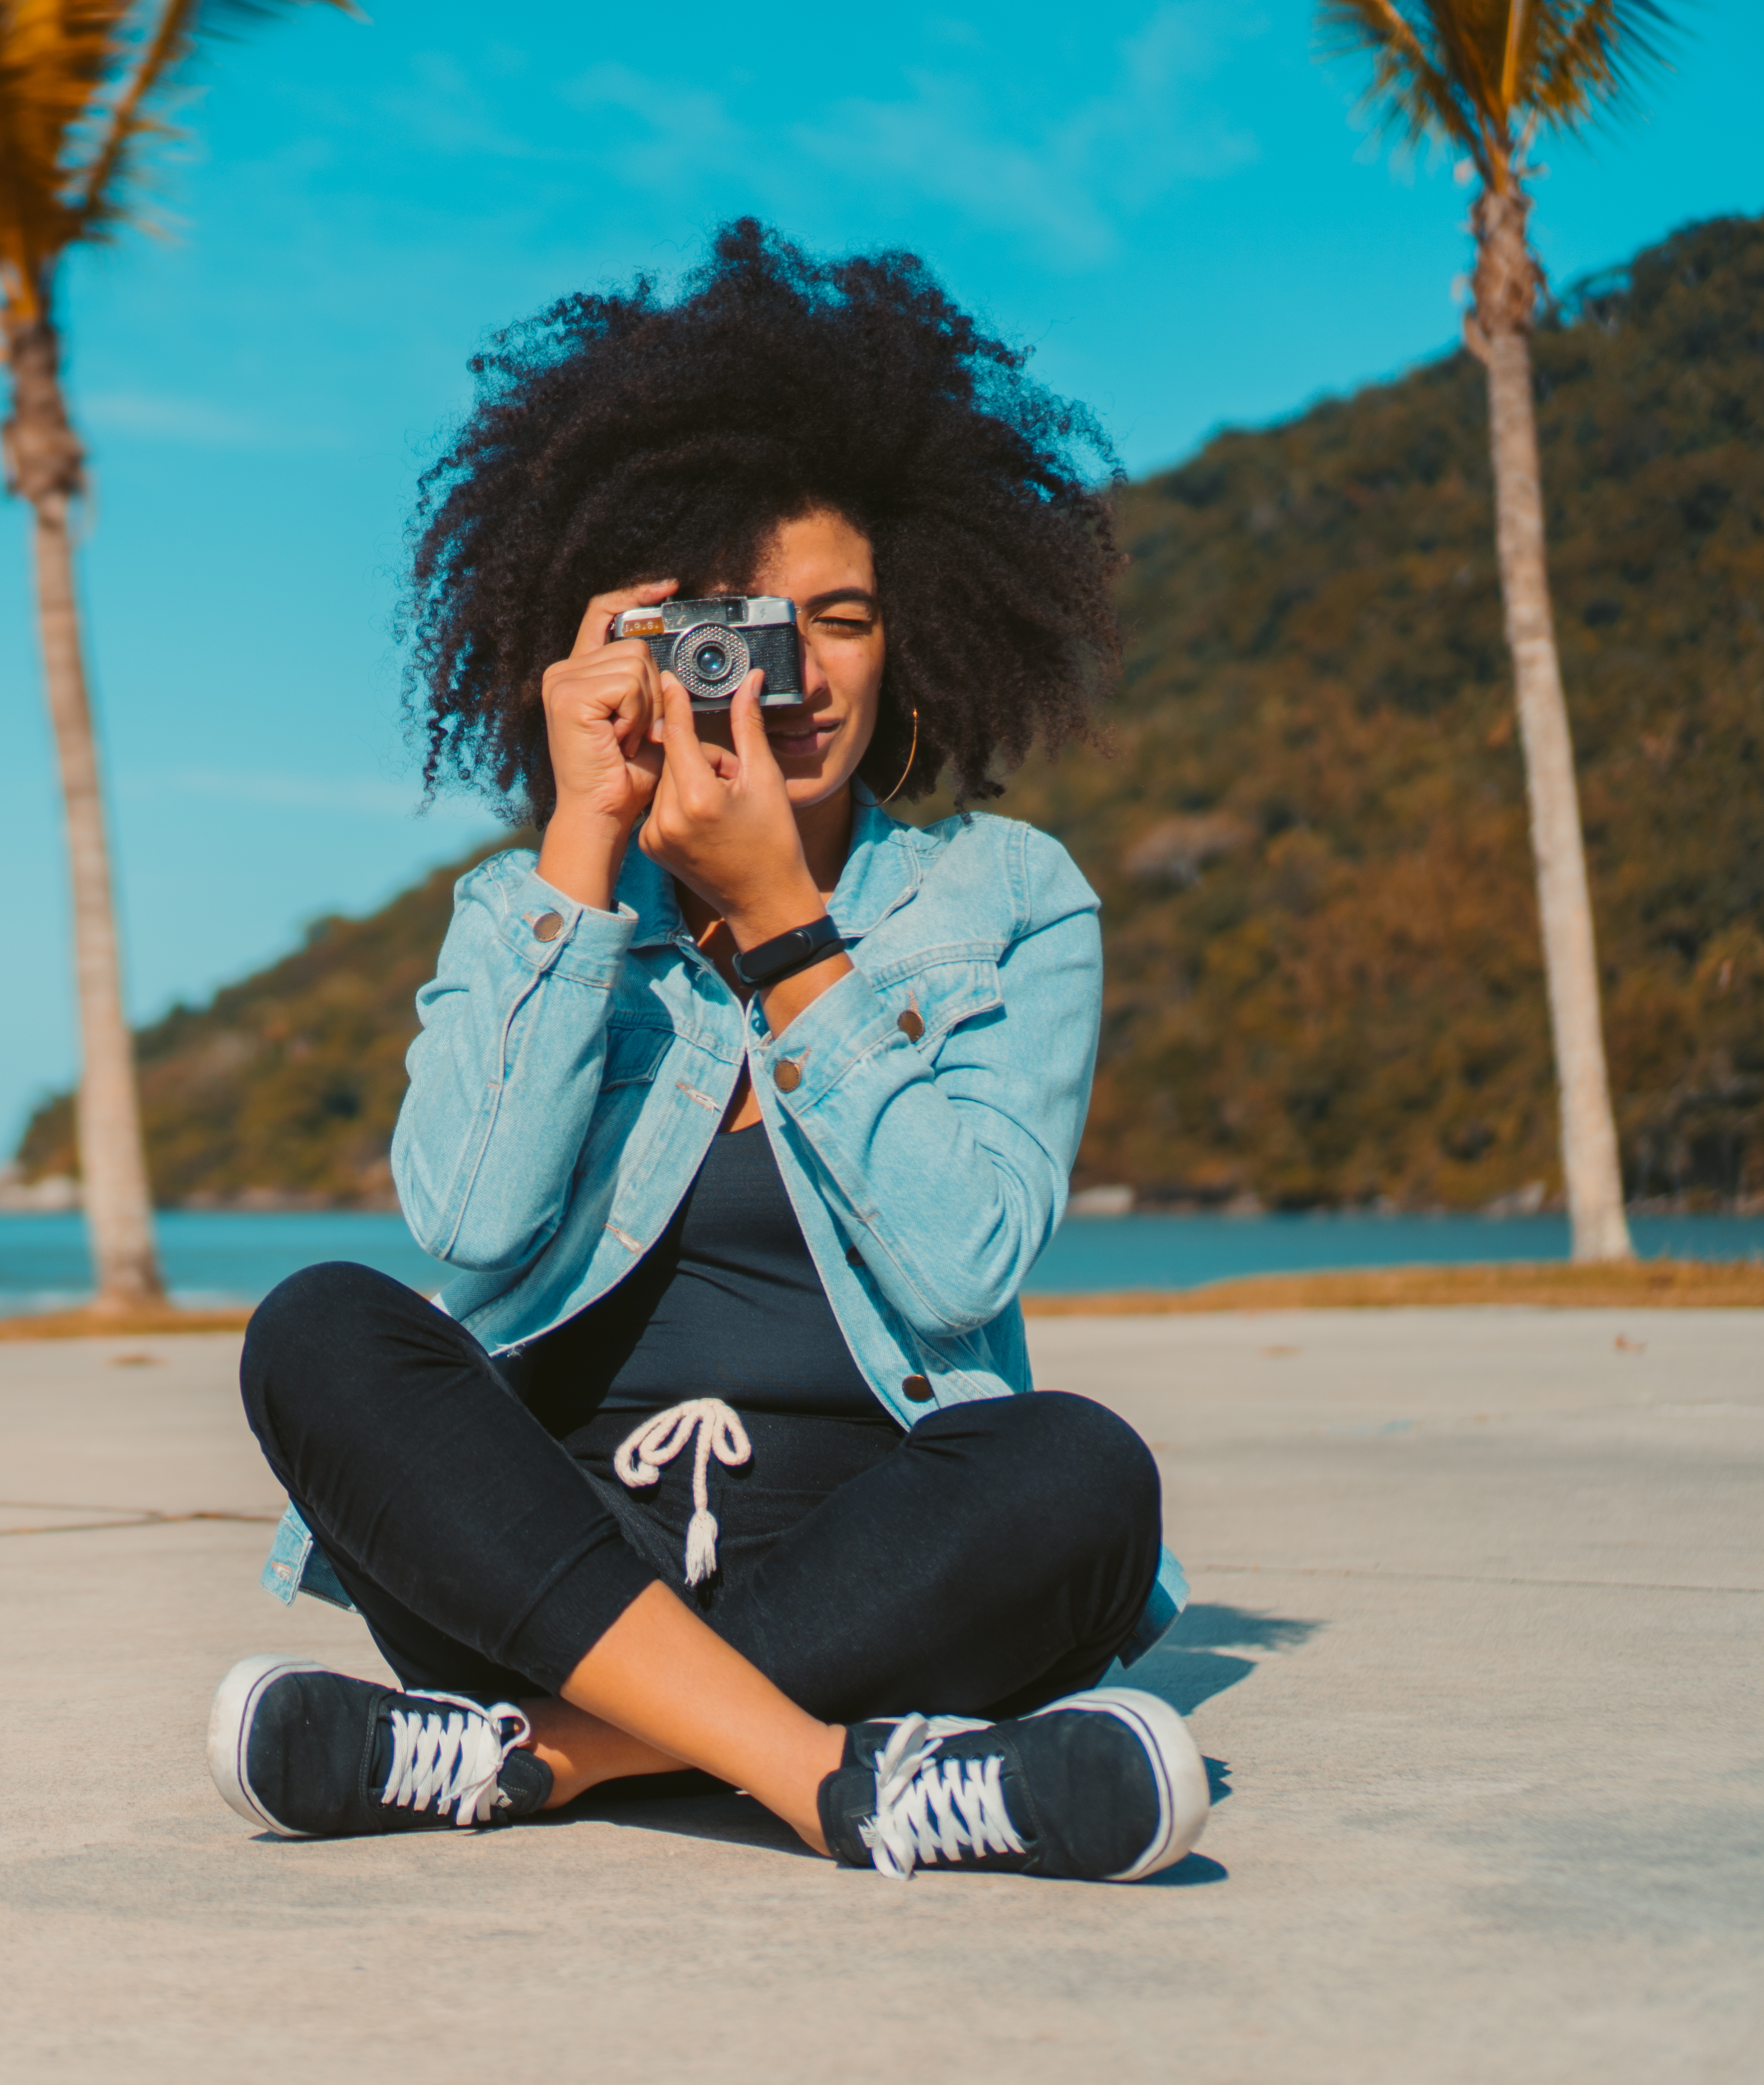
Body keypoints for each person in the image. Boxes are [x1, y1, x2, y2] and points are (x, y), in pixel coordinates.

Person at [206, 222, 1206, 1883]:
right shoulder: (531, 901)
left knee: (1084, 1472)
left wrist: (793, 934)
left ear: (914, 640)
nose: (797, 677)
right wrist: (584, 855)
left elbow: (964, 1269)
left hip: (881, 1566)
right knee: (317, 1329)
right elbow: (462, 1224)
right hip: (549, 1568)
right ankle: (849, 1784)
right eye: (744, 630)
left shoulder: (1010, 900)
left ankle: (534, 1760)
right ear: (643, 652)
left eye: (849, 618)